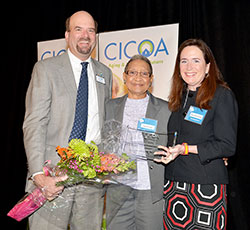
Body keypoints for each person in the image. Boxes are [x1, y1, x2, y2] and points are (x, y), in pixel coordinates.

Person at [23, 11, 112, 230]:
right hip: (51, 180)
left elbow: (105, 125)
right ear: (67, 35)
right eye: (78, 29)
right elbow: (34, 123)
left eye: (91, 30)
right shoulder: (45, 69)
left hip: (91, 183)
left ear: (96, 36)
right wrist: (38, 176)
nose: (85, 35)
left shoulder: (105, 74)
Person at [154, 38, 238, 229]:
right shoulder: (179, 98)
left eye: (196, 60)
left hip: (204, 187)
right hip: (174, 186)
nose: (189, 66)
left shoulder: (221, 95)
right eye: (184, 61)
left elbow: (227, 146)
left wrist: (185, 149)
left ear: (208, 66)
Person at [104, 54, 171, 230]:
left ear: (151, 79)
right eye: (133, 72)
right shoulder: (109, 107)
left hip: (150, 191)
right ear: (124, 76)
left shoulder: (166, 109)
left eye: (144, 73)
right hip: (118, 188)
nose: (138, 78)